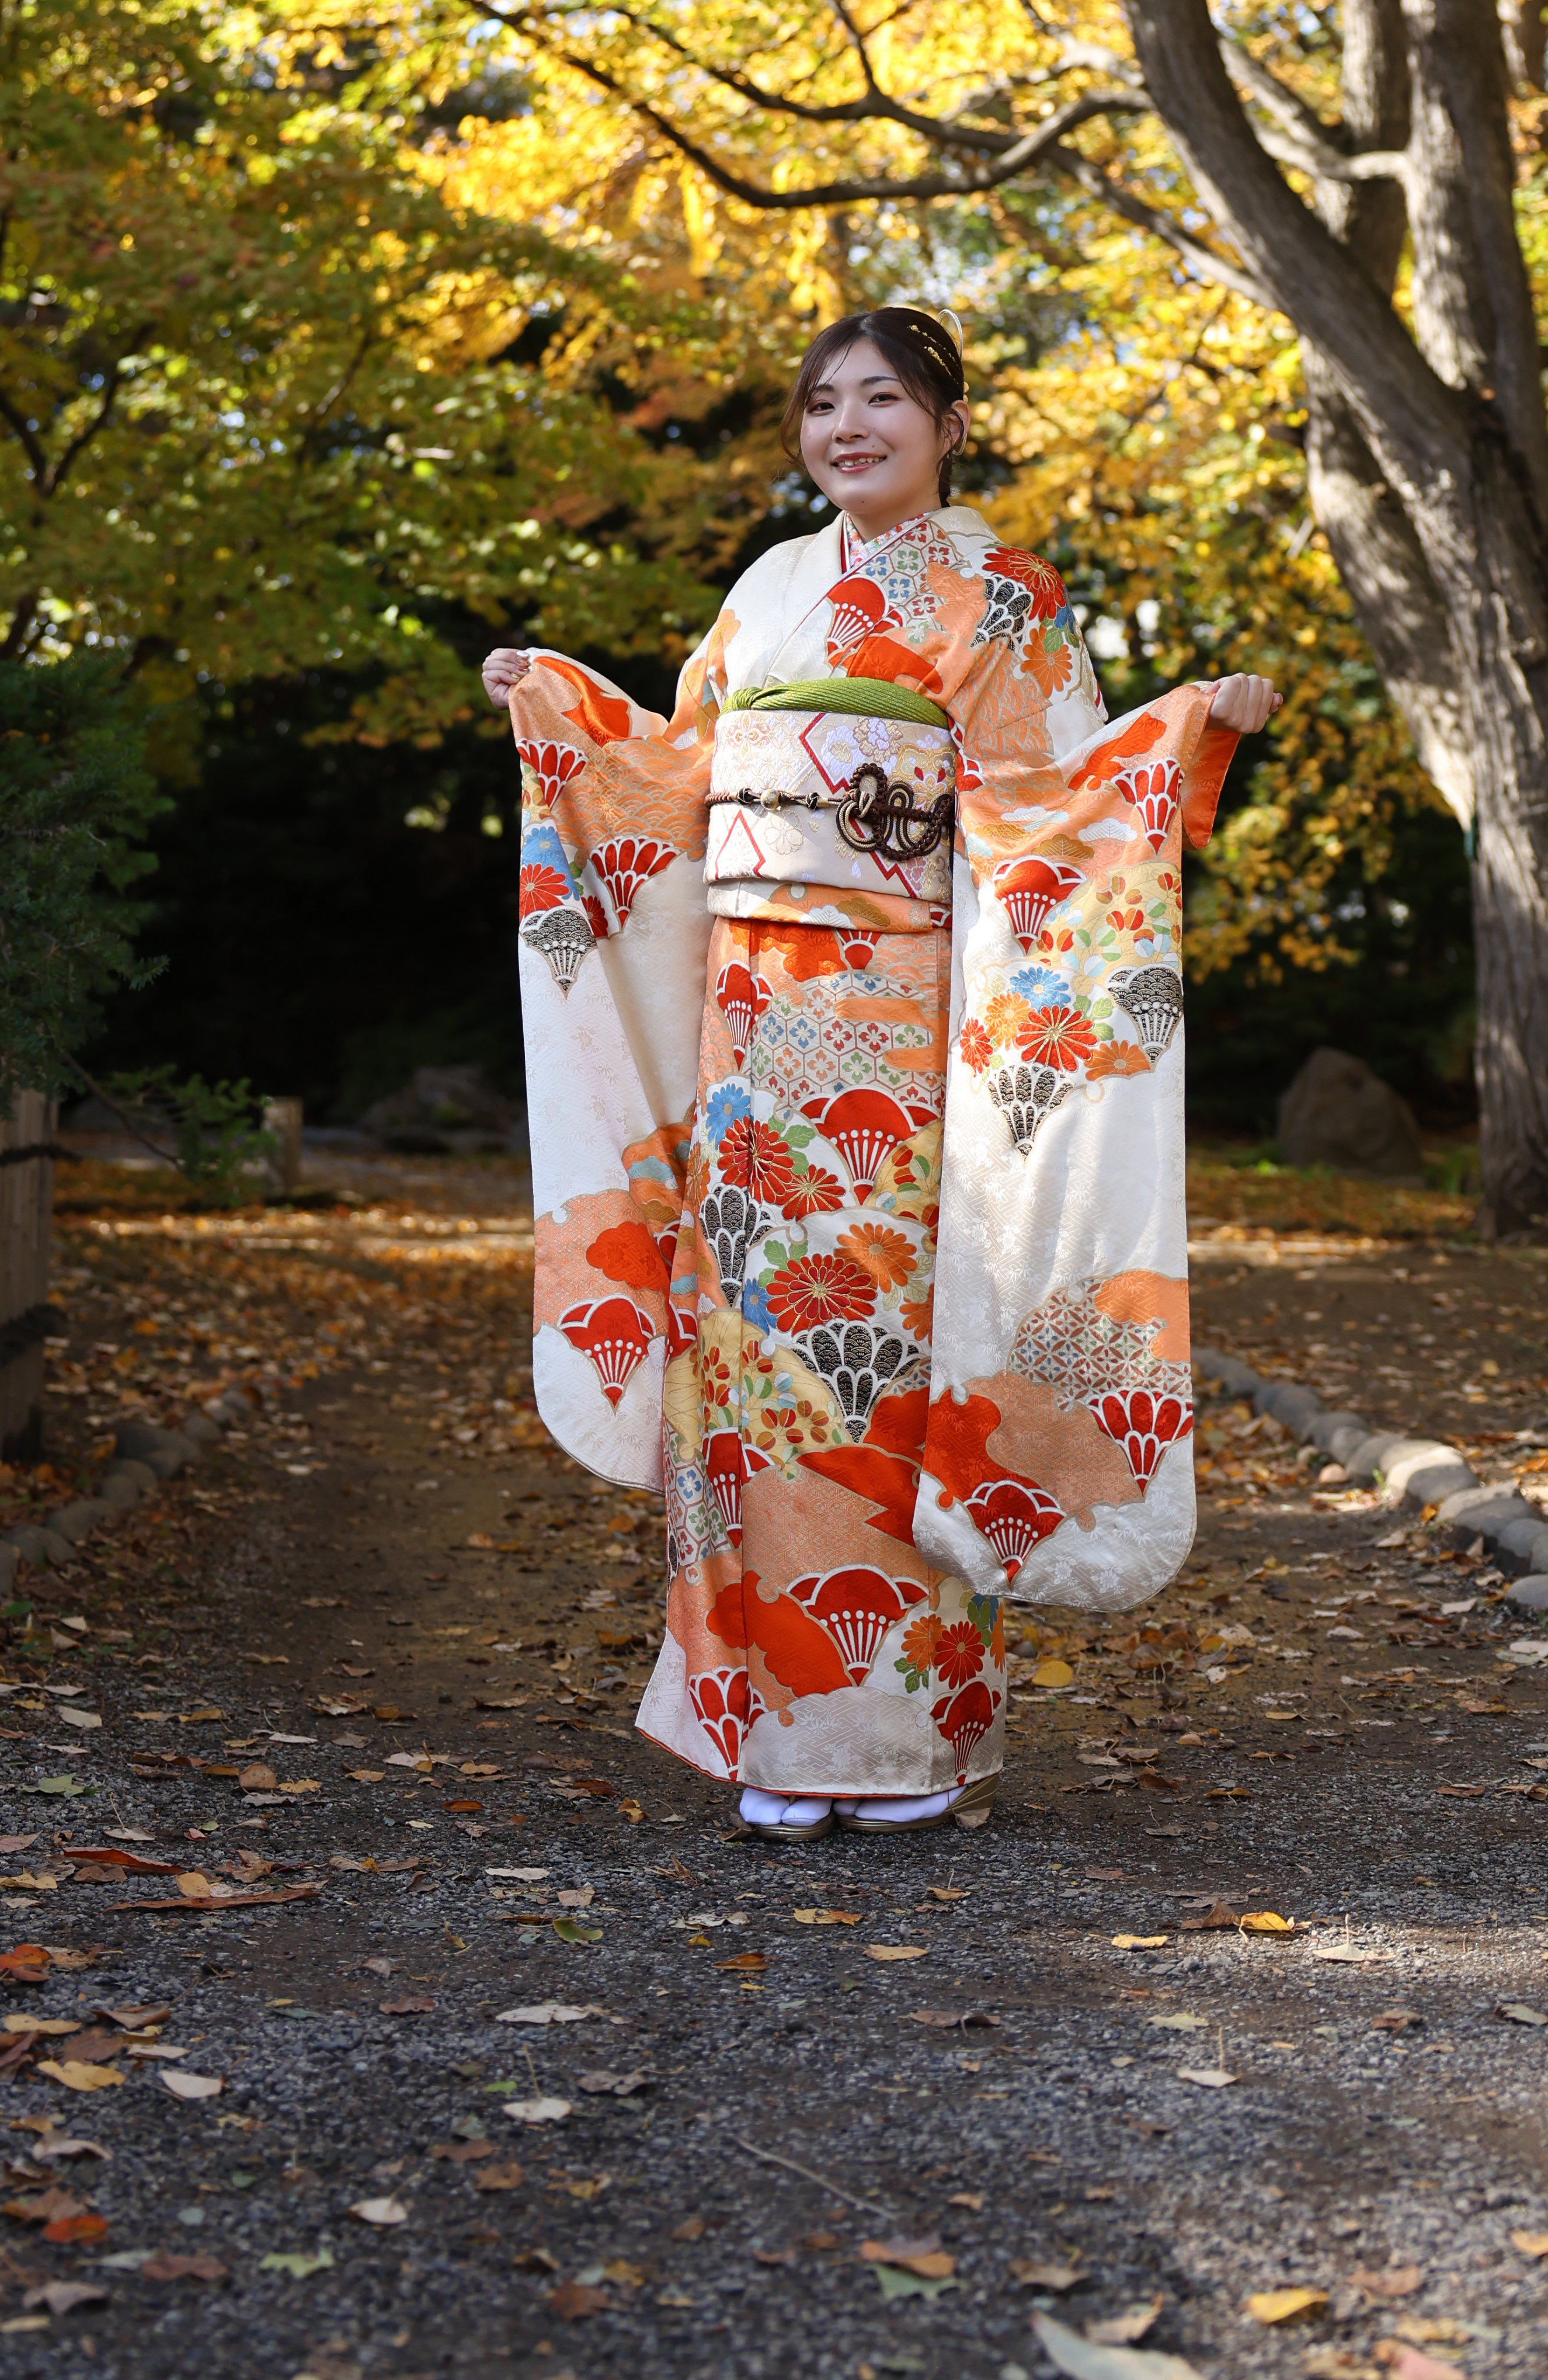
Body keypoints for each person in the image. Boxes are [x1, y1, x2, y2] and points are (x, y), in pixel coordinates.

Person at [483, 308, 1278, 1833]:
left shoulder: (1003, 597)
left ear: (947, 425)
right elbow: (673, 775)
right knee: (758, 1368)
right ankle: (774, 1735)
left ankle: (907, 1742)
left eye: (885, 401)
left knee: (901, 1367)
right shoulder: (771, 588)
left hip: (909, 1035)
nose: (850, 428)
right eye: (824, 405)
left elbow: (1059, 800)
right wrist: (557, 709)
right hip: (748, 1036)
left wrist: (1185, 725)